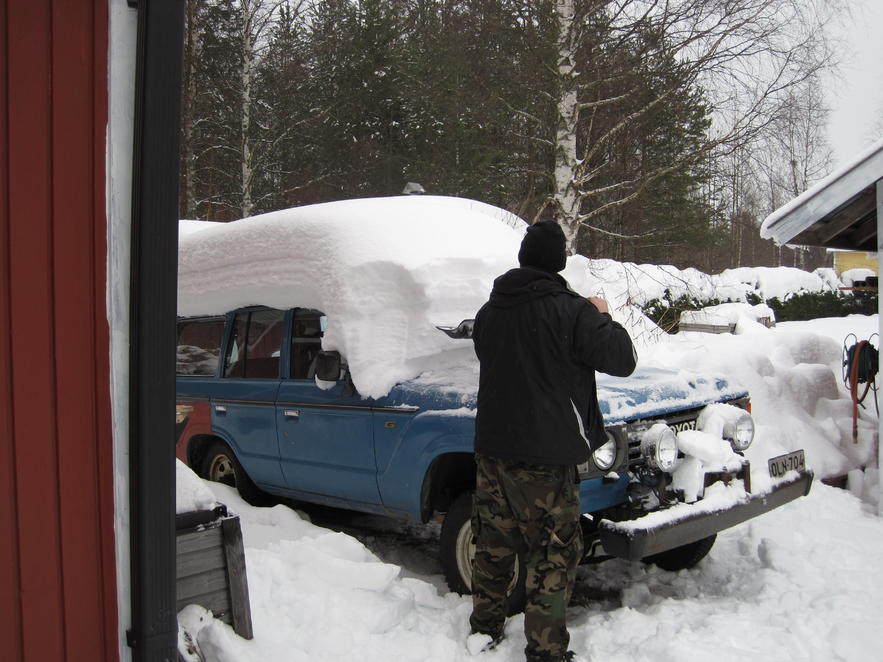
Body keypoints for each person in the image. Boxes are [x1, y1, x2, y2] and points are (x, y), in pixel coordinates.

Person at [469, 220, 637, 662]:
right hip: (545, 457)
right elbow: (623, 359)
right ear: (558, 262)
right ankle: (545, 652)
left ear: (524, 258)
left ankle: (483, 630)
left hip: (493, 450)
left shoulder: (491, 311)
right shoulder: (573, 311)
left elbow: (491, 355)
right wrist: (603, 315)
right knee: (551, 554)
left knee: (493, 544)